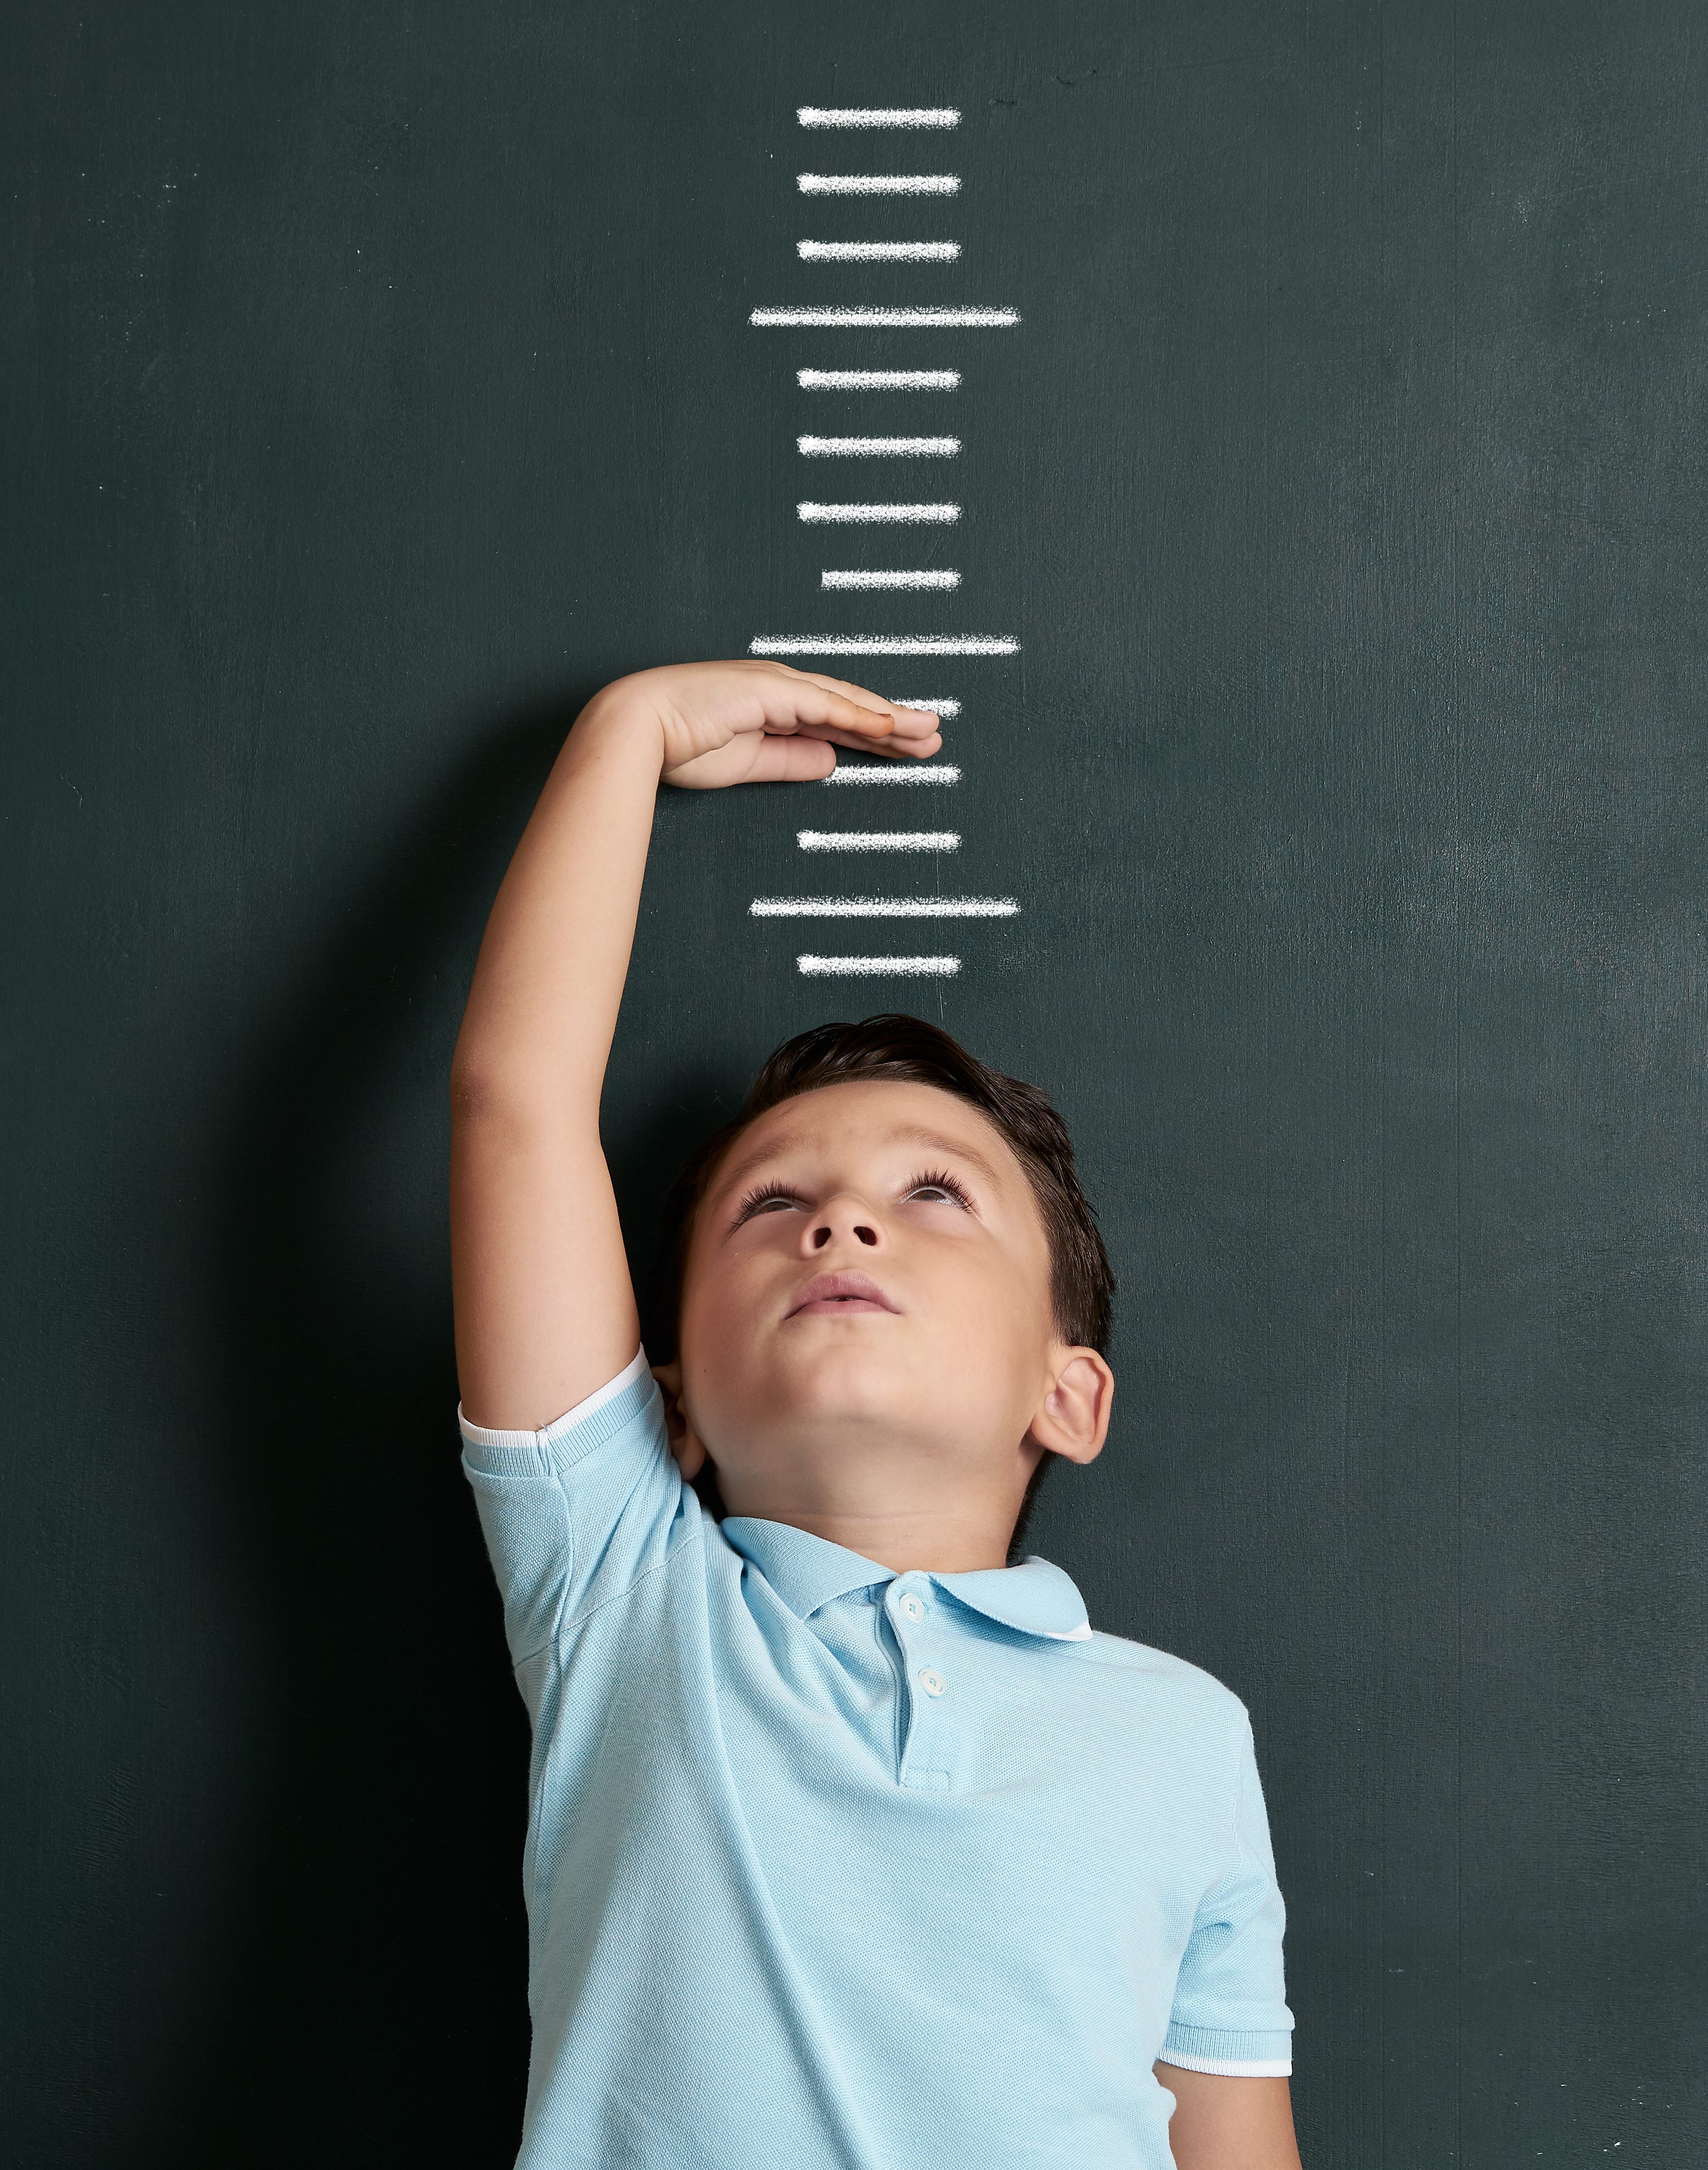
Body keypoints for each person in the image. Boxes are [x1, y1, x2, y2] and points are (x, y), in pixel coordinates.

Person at [448, 661, 1304, 2170]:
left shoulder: (1186, 1735)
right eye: (772, 1204)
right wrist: (624, 735)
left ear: (1068, 1390)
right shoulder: (627, 1596)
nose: (841, 1223)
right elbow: (519, 1099)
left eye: (932, 1194)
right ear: (673, 1408)